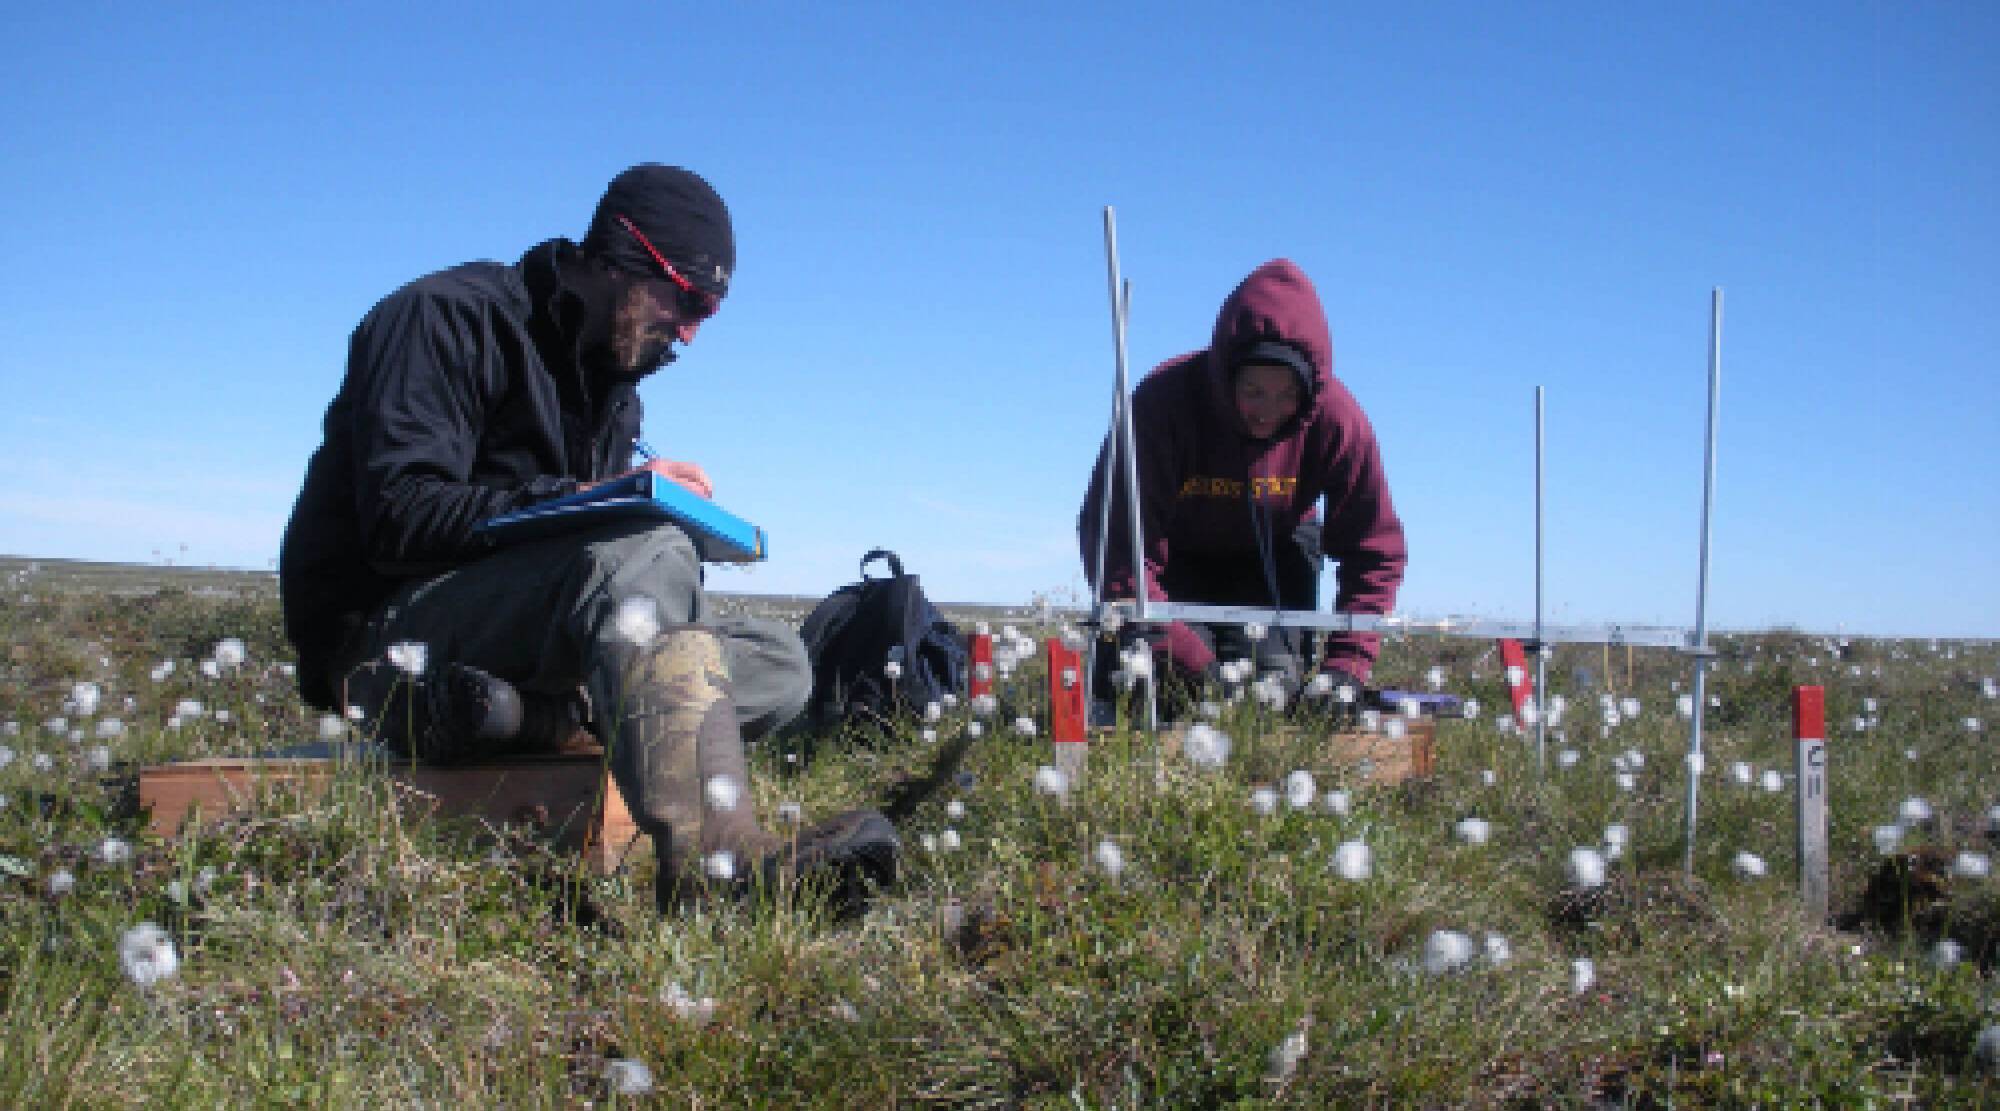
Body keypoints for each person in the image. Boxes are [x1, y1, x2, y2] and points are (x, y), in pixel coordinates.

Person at [278, 164, 897, 912]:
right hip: (386, 641)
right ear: (623, 255)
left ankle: (526, 716)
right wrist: (590, 499)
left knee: (783, 661)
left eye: (713, 310)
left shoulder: (615, 391)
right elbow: (397, 518)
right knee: (648, 548)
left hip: (518, 644)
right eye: (690, 298)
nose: (693, 331)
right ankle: (717, 864)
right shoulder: (442, 317)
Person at [1077, 258, 1408, 710]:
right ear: (1226, 375)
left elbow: (1375, 550)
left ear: (1310, 391)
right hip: (1173, 562)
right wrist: (1196, 664)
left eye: (1287, 395)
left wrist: (1346, 667)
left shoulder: (1339, 422)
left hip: (1275, 554)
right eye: (1253, 391)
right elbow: (1117, 546)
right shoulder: (1162, 406)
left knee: (1273, 694)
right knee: (1161, 693)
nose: (1267, 412)